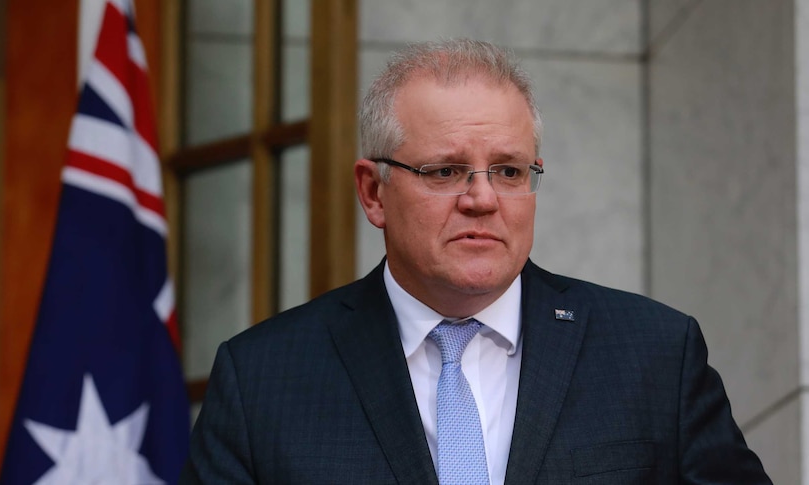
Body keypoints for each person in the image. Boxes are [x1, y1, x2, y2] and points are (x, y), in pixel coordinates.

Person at [181, 39, 770, 484]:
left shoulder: (655, 356)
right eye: (444, 171)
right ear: (373, 193)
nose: (483, 199)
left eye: (510, 171)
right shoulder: (261, 381)